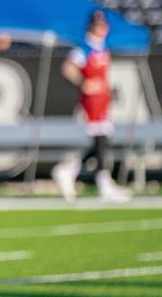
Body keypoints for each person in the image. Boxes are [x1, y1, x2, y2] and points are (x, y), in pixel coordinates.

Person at [51, 11, 131, 202]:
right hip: (92, 101)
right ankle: (102, 182)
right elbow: (68, 67)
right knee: (100, 139)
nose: (103, 29)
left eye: (104, 25)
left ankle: (70, 170)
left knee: (102, 141)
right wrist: (84, 83)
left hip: (102, 99)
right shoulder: (85, 48)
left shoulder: (101, 47)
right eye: (99, 26)